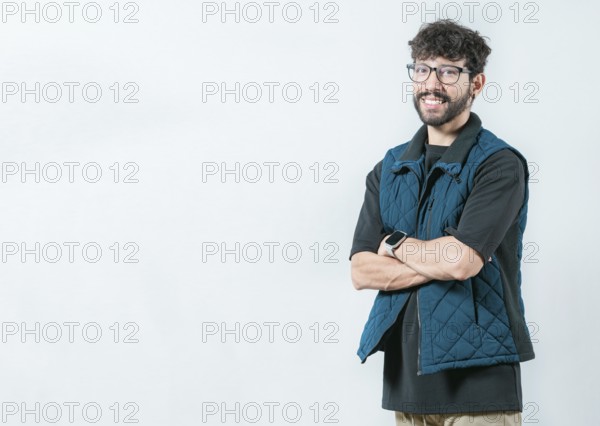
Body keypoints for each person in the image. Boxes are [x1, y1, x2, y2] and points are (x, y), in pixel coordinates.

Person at [349, 20, 535, 426]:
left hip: (479, 387)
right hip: (406, 385)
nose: (432, 83)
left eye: (449, 71)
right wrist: (439, 257)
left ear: (477, 83)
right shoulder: (390, 167)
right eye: (422, 69)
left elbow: (462, 263)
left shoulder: (498, 165)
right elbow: (361, 271)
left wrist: (395, 245)